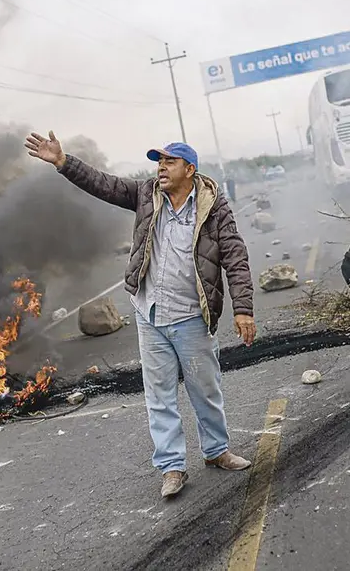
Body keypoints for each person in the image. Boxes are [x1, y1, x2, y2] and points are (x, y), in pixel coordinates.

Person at [25, 132, 256, 499]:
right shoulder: (147, 195)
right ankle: (171, 467)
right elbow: (104, 185)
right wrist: (63, 162)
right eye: (158, 162)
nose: (161, 168)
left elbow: (235, 259)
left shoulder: (214, 209)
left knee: (205, 390)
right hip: (150, 314)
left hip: (191, 317)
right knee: (159, 396)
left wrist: (243, 309)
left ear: (189, 170)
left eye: (169, 162)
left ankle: (216, 452)